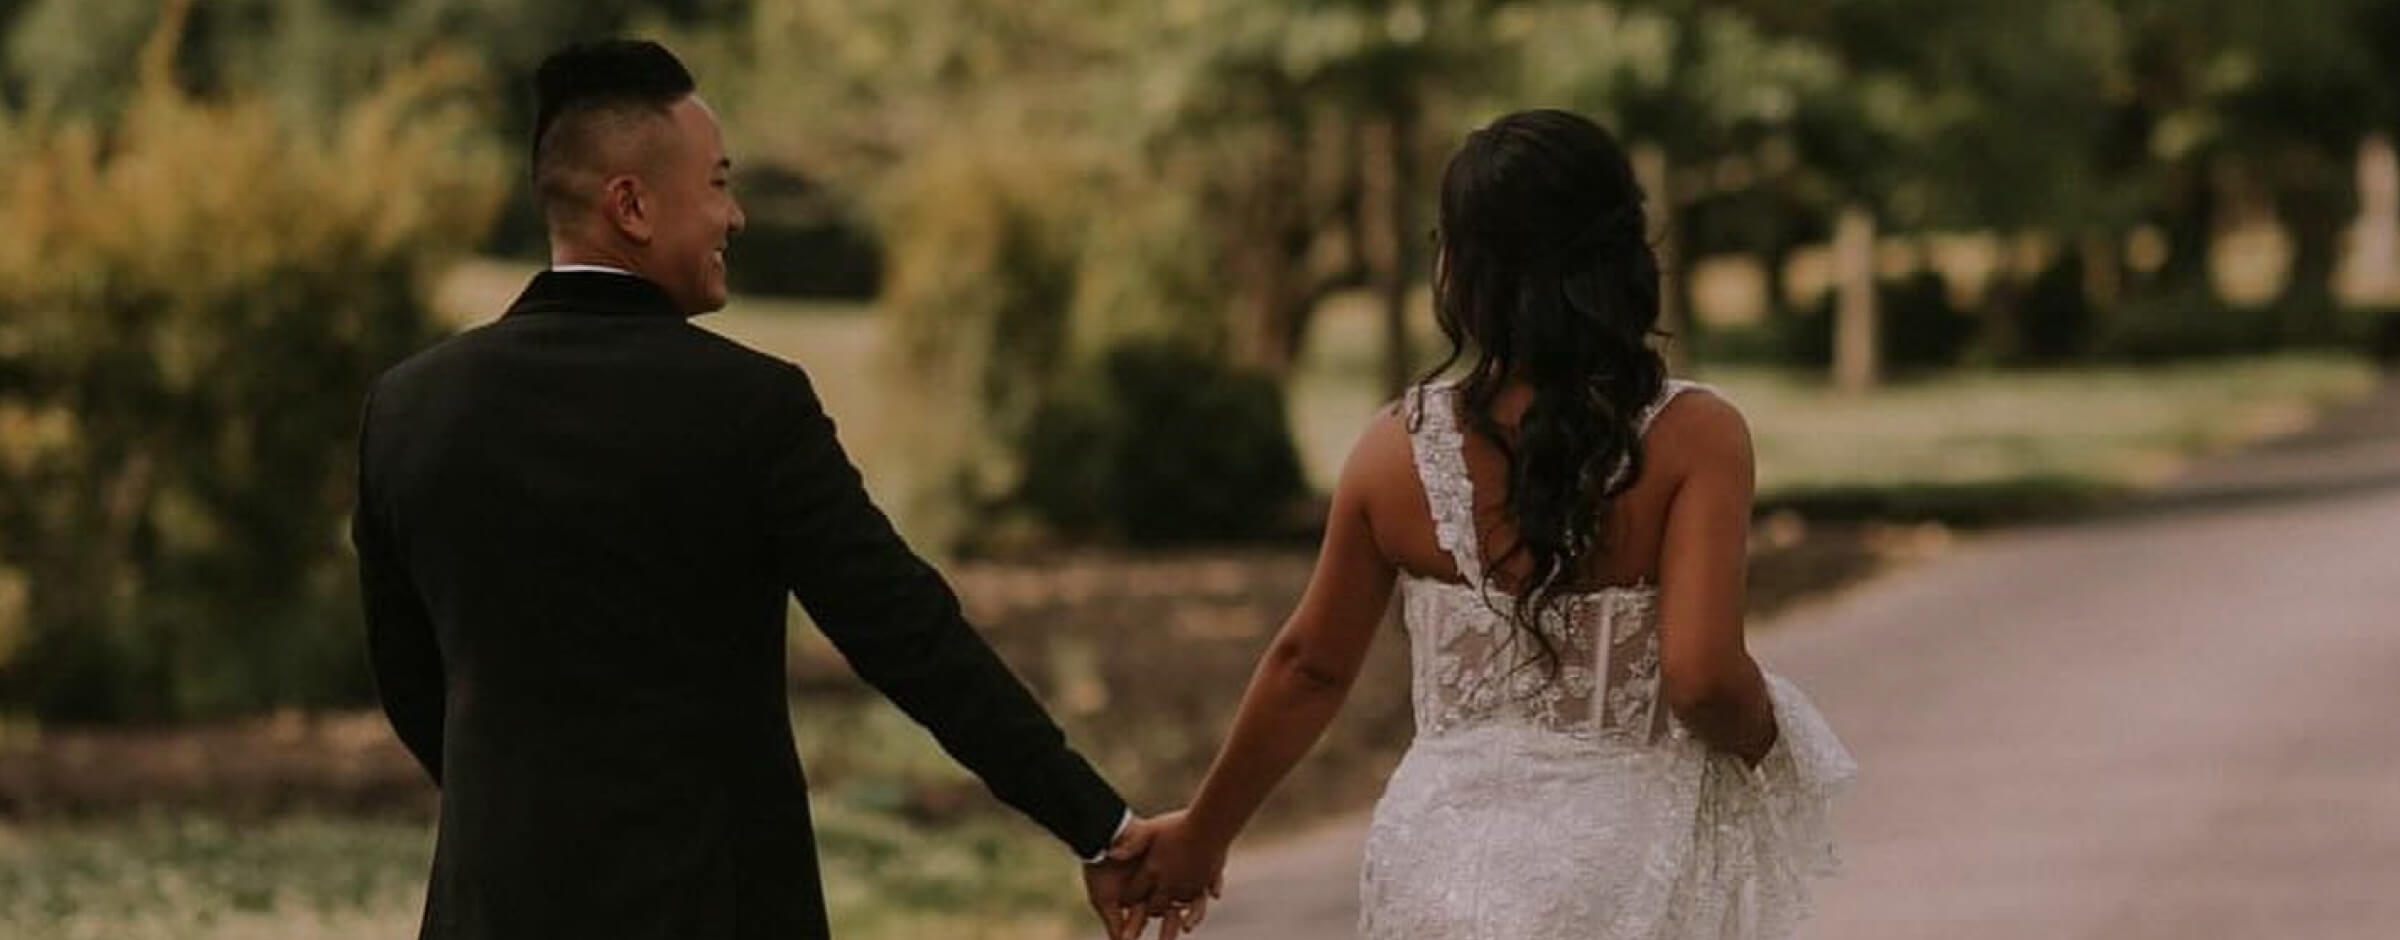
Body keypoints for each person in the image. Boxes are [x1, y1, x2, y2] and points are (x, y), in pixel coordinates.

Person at [352, 39, 1152, 940]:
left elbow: (410, 678)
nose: (735, 217)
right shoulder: (749, 406)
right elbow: (909, 636)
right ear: (632, 205)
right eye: (720, 185)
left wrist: (520, 816)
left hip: (490, 910)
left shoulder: (409, 410)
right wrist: (1097, 826)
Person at [1115, 109, 1855, 939]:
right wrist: (1772, 742)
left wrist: (1204, 832)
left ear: (1458, 271)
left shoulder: (1392, 452)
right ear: (1624, 258)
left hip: (1434, 856)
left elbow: (1310, 666)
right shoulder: (1696, 439)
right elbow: (1703, 678)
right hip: (1613, 861)